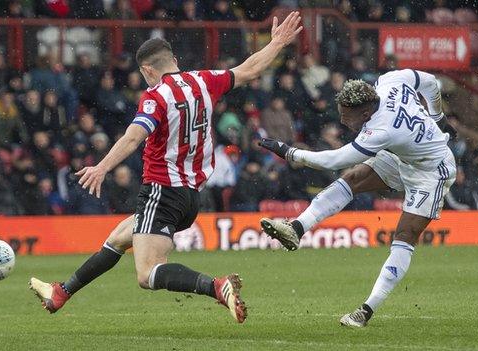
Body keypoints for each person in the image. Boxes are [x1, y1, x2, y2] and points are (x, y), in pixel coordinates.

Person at [29, 12, 304, 323]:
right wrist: (278, 42)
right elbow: (250, 68)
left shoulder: (156, 96)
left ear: (147, 70)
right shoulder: (204, 80)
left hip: (161, 192)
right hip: (191, 197)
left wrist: (102, 167)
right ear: (173, 59)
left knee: (147, 273)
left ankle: (215, 286)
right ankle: (61, 293)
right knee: (120, 237)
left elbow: (134, 136)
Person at [259, 69, 457, 327]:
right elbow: (430, 82)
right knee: (352, 179)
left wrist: (290, 153)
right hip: (402, 157)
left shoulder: (380, 130)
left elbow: (333, 159)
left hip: (432, 170)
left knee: (404, 236)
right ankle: (297, 227)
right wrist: (437, 116)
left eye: (346, 116)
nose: (342, 121)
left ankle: (366, 310)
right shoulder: (391, 80)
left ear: (365, 113)